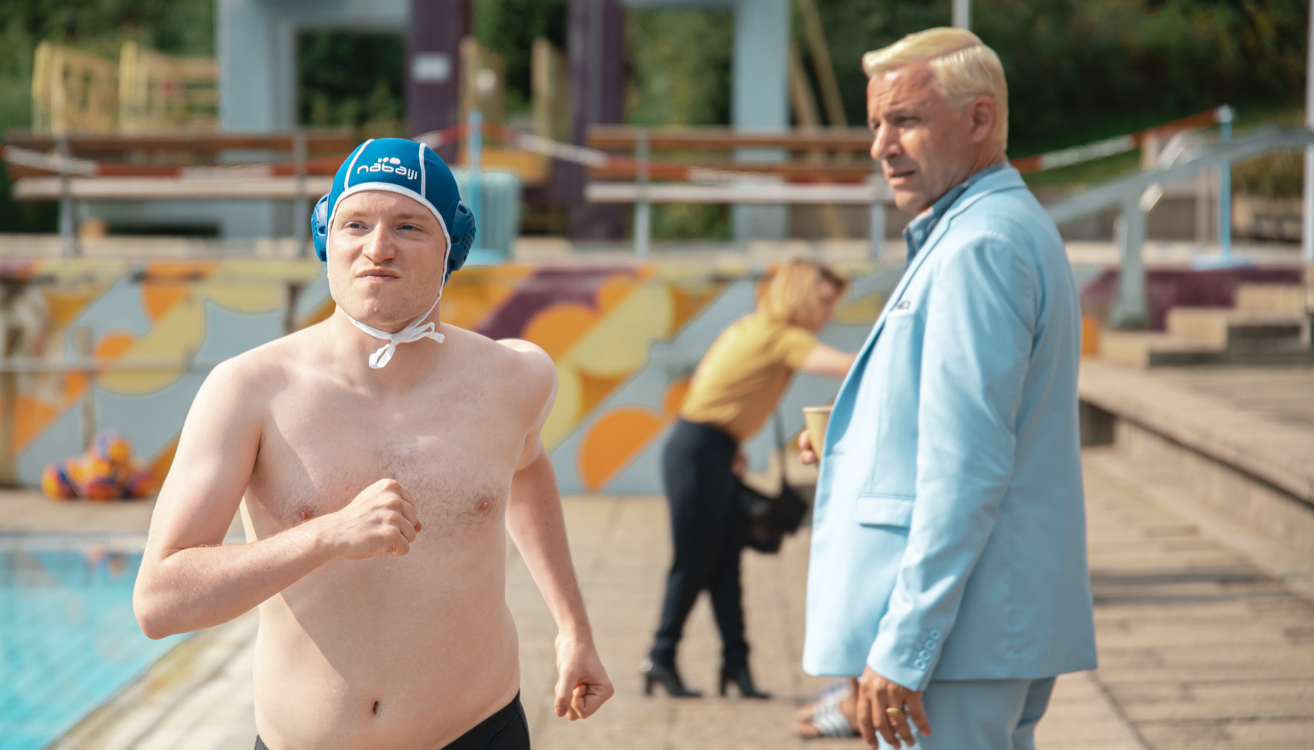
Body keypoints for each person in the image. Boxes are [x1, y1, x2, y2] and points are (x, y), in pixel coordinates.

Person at [132, 138, 613, 750]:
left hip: (476, 730)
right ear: (325, 238)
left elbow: (525, 468)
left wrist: (573, 628)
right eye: (355, 224)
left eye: (408, 226)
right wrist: (326, 535)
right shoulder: (250, 391)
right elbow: (159, 602)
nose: (378, 248)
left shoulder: (514, 378)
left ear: (453, 246)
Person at [796, 28, 1096, 750]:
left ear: (979, 119)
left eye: (905, 120)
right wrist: (858, 438)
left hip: (962, 641)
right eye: (876, 124)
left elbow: (967, 467)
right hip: (988, 629)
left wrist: (905, 647)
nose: (882, 146)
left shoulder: (978, 246)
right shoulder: (998, 227)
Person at [645, 259, 857, 700]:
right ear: (800, 295)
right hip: (701, 450)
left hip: (706, 447)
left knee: (725, 563)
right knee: (694, 562)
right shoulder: (782, 337)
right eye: (823, 300)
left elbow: (708, 383)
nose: (828, 312)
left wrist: (729, 441)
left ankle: (736, 665)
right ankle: (660, 657)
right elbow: (848, 367)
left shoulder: (749, 327)